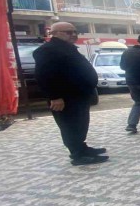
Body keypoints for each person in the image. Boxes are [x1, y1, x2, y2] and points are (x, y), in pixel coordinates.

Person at [33, 22, 108, 165]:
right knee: (70, 125)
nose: (73, 35)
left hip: (79, 94)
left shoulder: (68, 48)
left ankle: (82, 148)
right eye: (68, 32)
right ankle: (77, 155)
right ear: (54, 33)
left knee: (80, 123)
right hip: (65, 97)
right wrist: (55, 97)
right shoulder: (48, 50)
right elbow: (44, 75)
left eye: (75, 32)